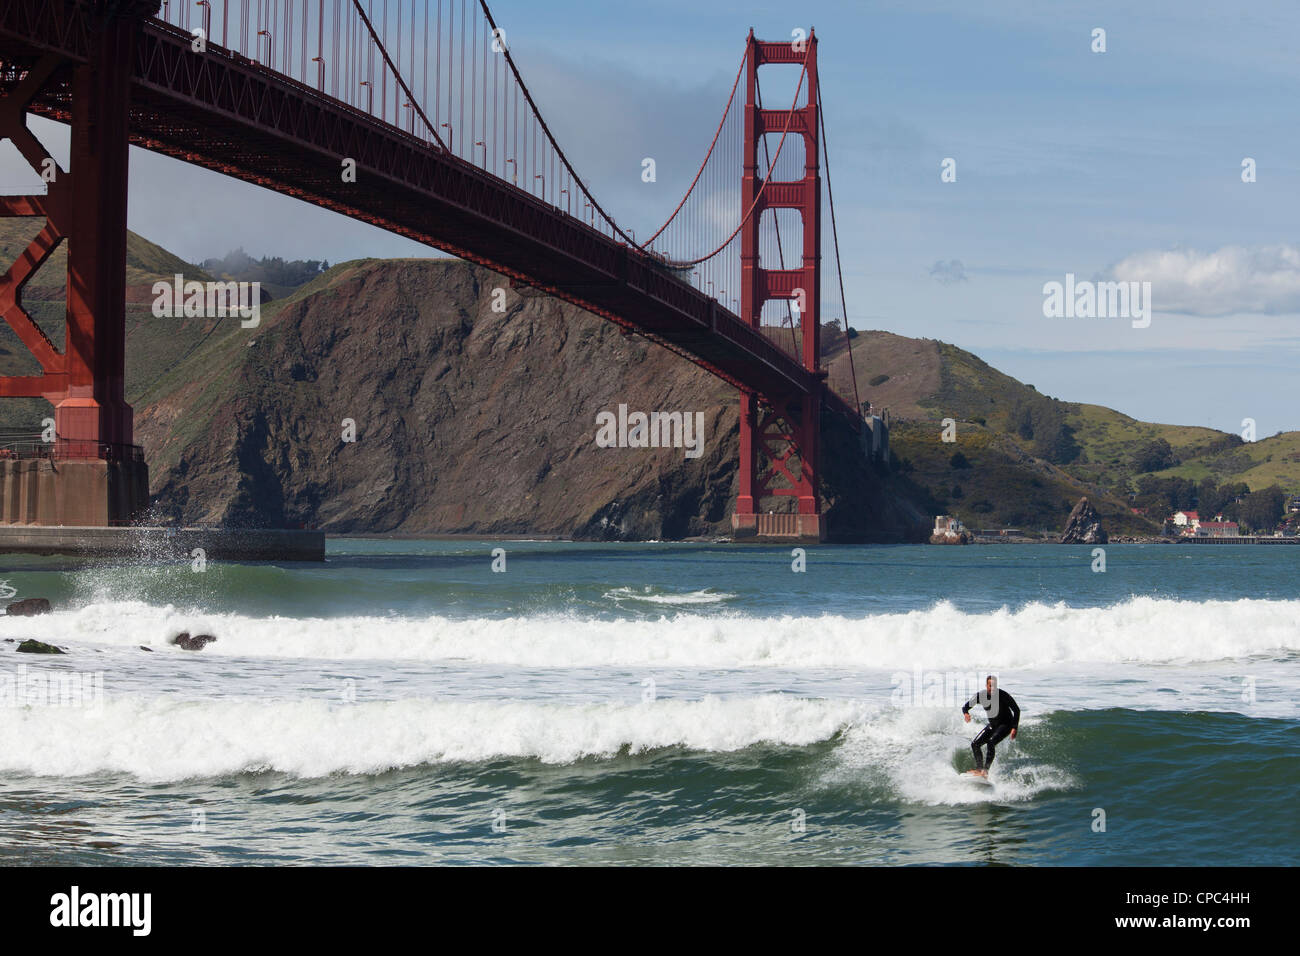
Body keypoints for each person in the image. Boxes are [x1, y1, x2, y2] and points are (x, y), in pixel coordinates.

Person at [962, 675, 1020, 776]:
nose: (992, 688)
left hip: (1006, 724)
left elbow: (1016, 709)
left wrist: (1014, 727)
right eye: (990, 686)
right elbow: (965, 707)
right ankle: (979, 769)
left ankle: (985, 771)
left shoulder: (1002, 695)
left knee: (991, 742)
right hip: (993, 725)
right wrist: (966, 713)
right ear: (986, 686)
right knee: (975, 744)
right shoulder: (981, 696)